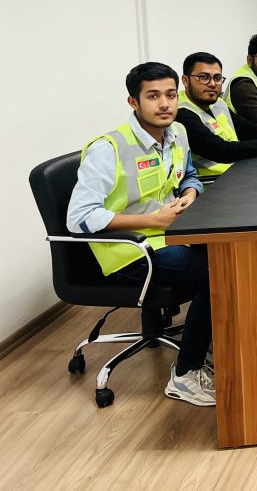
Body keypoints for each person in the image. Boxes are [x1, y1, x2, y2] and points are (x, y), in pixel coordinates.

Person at [66, 62, 213, 406]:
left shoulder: (177, 133)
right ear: (133, 102)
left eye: (171, 95)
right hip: (129, 252)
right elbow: (79, 218)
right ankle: (185, 375)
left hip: (169, 237)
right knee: (214, 272)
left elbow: (189, 175)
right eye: (153, 96)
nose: (164, 104)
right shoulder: (109, 149)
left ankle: (207, 343)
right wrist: (154, 220)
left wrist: (190, 193)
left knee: (231, 252)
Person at [176, 52, 257, 182]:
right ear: (185, 80)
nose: (212, 84)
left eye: (217, 78)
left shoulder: (217, 103)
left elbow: (244, 127)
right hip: (210, 184)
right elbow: (222, 150)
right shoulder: (181, 113)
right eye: (204, 77)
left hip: (235, 171)